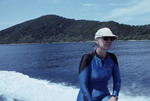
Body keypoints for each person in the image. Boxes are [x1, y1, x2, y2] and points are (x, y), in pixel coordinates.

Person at [77, 27, 121, 101]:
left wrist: (114, 96)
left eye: (111, 39)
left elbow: (117, 80)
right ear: (96, 40)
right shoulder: (88, 58)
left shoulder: (112, 58)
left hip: (104, 96)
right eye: (106, 38)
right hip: (86, 98)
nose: (109, 41)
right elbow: (83, 87)